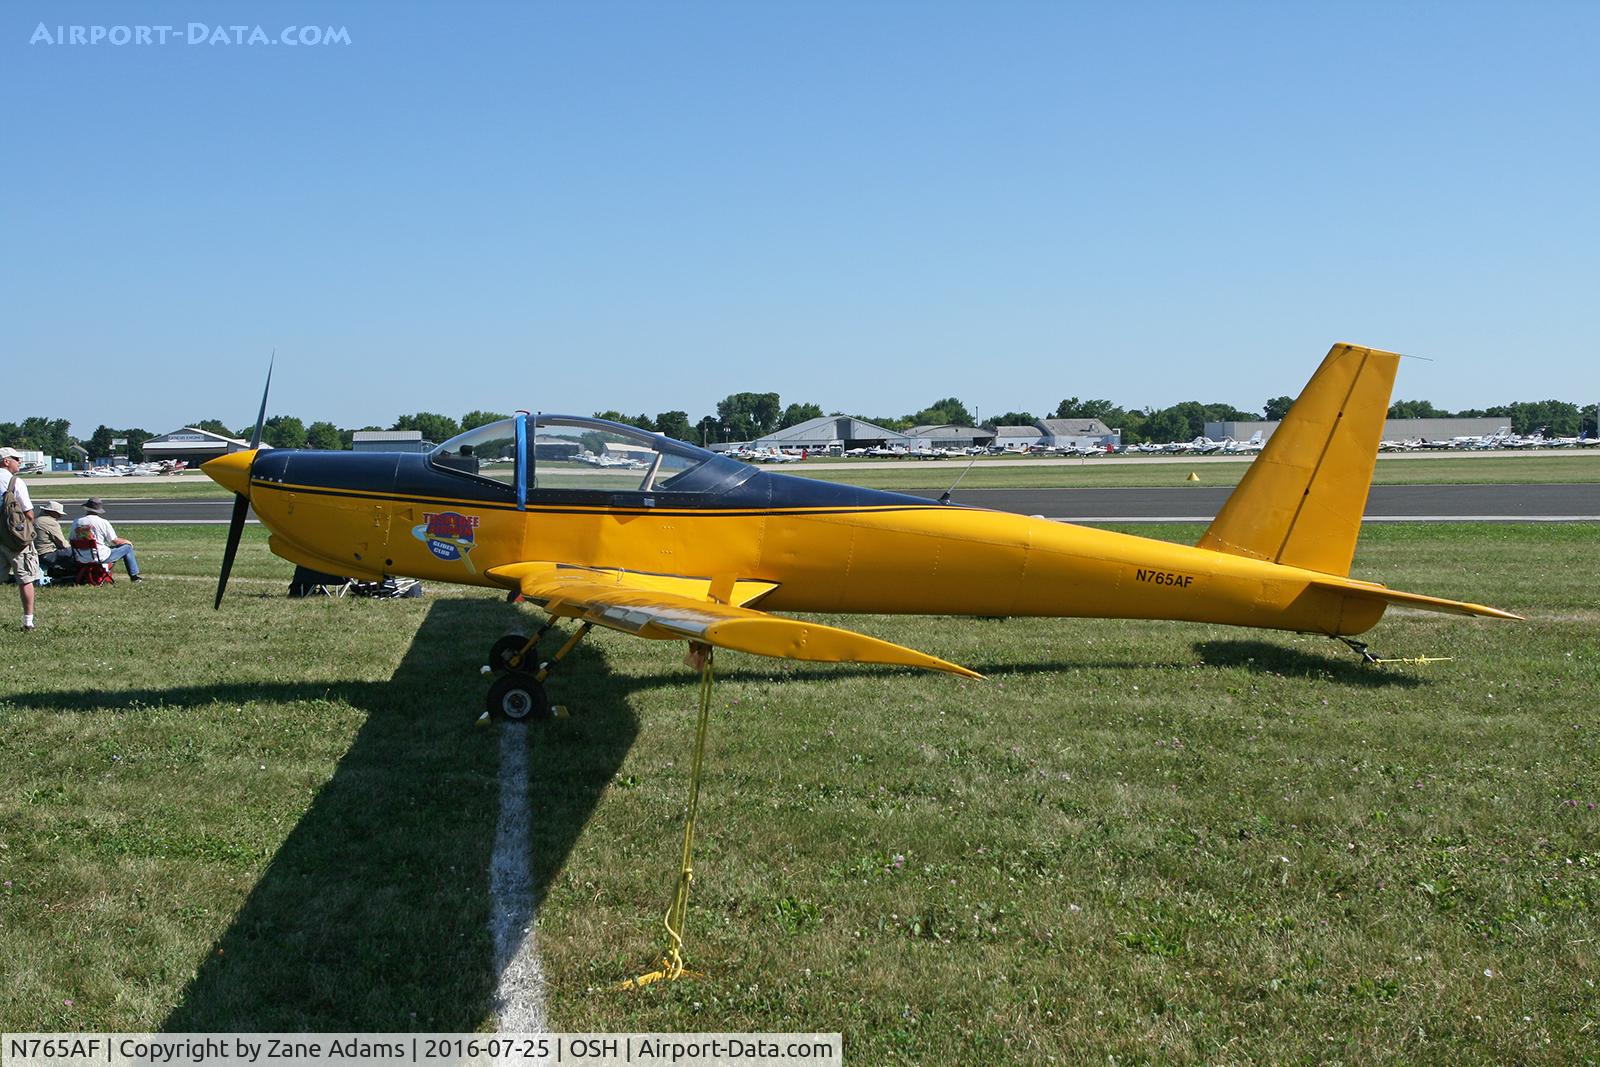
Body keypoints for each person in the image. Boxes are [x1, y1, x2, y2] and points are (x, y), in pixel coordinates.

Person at [0, 446, 39, 631]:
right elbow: (29, 513)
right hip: (15, 540)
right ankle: (28, 621)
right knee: (25, 578)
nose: (19, 462)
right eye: (16, 459)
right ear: (6, 461)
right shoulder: (15, 482)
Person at [71, 497, 144, 582]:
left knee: (104, 547)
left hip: (81, 557)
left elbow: (71, 539)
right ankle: (134, 576)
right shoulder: (103, 522)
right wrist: (127, 542)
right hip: (99, 556)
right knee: (127, 548)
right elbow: (114, 541)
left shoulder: (76, 522)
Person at [33, 500, 74, 578]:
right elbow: (62, 543)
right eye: (59, 514)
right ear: (52, 512)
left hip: (36, 554)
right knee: (74, 552)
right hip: (46, 555)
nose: (60, 516)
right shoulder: (50, 522)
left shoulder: (37, 520)